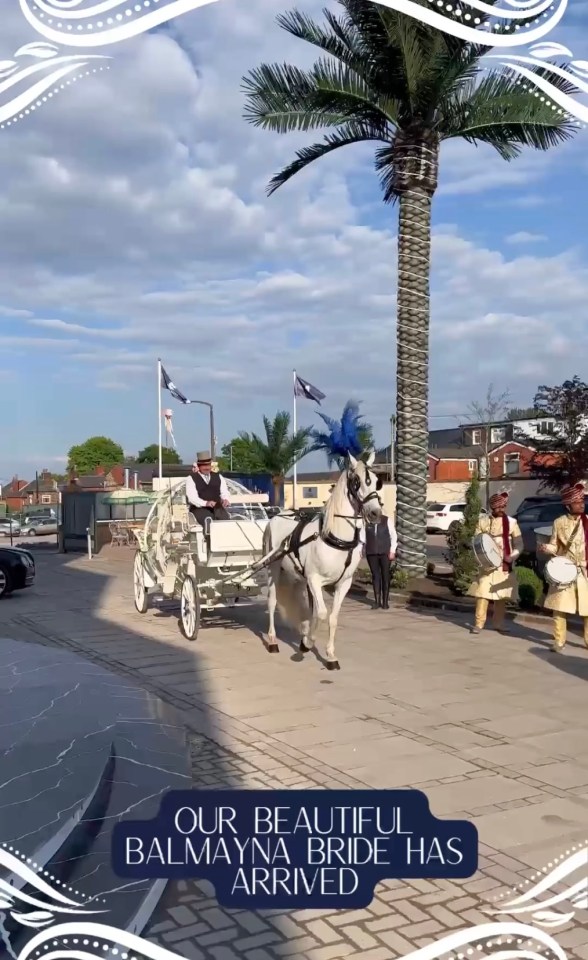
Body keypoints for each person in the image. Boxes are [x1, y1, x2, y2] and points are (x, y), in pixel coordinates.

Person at [539, 482, 588, 653]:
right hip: (564, 569)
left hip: (584, 570)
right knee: (559, 608)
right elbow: (555, 545)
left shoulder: (587, 521)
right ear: (568, 505)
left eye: (582, 501)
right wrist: (547, 548)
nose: (582, 504)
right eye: (577, 502)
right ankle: (559, 641)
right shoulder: (558, 522)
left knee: (587, 608)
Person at [468, 491, 522, 635]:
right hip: (487, 564)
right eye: (498, 507)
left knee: (501, 596)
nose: (501, 510)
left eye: (504, 507)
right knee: (482, 594)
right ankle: (479, 624)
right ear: (493, 508)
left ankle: (499, 624)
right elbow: (476, 540)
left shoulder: (512, 522)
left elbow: (519, 544)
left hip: (504, 564)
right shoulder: (483, 521)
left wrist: (512, 556)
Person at [186, 450, 231, 529]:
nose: (207, 468)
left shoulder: (218, 477)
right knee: (209, 522)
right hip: (199, 509)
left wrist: (225, 499)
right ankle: (209, 540)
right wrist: (206, 503)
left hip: (217, 507)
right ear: (199, 466)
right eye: (204, 465)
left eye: (208, 465)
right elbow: (192, 498)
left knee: (226, 522)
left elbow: (224, 491)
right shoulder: (191, 478)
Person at [362, 514, 397, 609]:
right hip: (371, 553)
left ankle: (385, 602)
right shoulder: (367, 521)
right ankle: (377, 602)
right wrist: (362, 550)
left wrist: (392, 551)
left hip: (385, 552)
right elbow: (362, 538)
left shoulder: (386, 520)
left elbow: (393, 535)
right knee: (375, 576)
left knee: (385, 575)